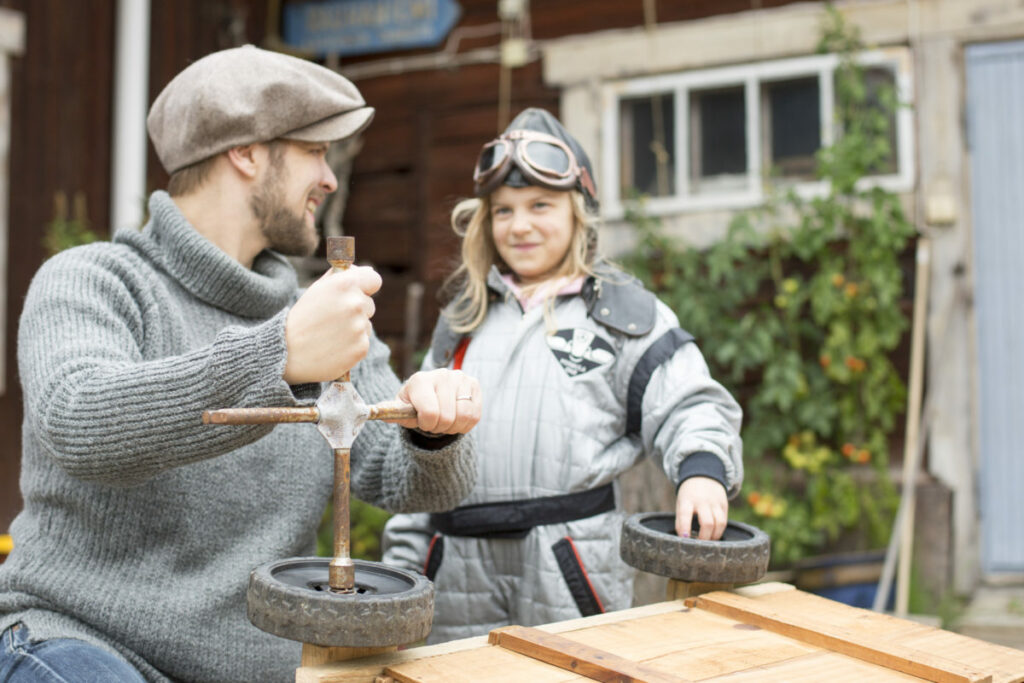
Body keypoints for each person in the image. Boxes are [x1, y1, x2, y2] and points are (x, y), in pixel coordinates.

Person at [0, 45, 480, 682]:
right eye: (314, 149)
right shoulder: (91, 281)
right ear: (247, 151)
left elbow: (409, 483)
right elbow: (78, 422)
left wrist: (430, 426)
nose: (331, 178)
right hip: (79, 641)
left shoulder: (318, 315)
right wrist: (277, 354)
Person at [382, 108, 743, 643]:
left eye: (540, 206)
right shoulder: (462, 320)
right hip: (454, 569)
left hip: (570, 569)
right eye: (502, 210)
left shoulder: (622, 312)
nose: (519, 225)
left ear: (578, 213)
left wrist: (703, 471)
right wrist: (405, 564)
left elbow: (690, 402)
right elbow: (421, 452)